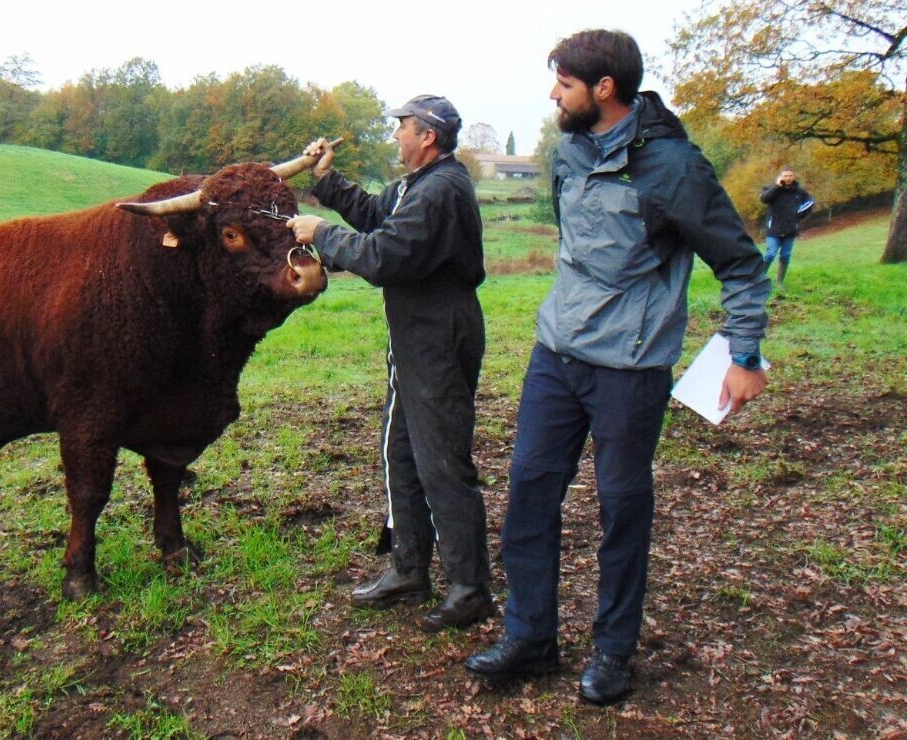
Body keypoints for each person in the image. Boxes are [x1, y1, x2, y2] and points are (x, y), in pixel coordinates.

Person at [464, 30, 771, 705]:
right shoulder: (570, 151)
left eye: (564, 84)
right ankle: (531, 636)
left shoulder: (674, 168)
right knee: (529, 494)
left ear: (604, 89)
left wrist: (744, 354)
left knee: (621, 508)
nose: (553, 95)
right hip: (557, 355)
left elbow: (743, 266)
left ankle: (612, 651)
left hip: (630, 370)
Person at [286, 95, 492, 633]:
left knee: (442, 462)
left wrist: (320, 234)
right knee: (400, 453)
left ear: (427, 136)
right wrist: (327, 182)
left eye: (401, 126)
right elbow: (378, 216)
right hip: (414, 335)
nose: (395, 134)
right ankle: (409, 568)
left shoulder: (444, 190)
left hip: (440, 335)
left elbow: (384, 256)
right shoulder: (413, 187)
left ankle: (470, 588)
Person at [760, 167, 814, 289]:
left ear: (794, 177)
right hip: (774, 229)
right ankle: (758, 279)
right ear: (780, 177)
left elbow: (810, 202)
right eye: (785, 176)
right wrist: (777, 186)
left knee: (785, 256)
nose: (788, 178)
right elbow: (764, 199)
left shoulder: (799, 192)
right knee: (770, 254)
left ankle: (779, 282)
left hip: (790, 229)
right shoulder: (772, 189)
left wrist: (798, 215)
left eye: (790, 175)